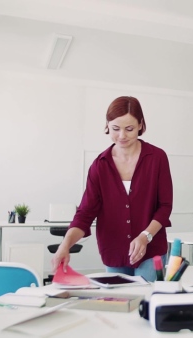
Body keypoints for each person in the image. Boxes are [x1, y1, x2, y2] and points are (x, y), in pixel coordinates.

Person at [51, 96, 173, 281]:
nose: (122, 136)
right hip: (114, 252)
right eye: (116, 129)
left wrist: (145, 236)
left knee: (145, 304)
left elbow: (164, 206)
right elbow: (85, 213)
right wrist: (65, 245)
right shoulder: (100, 166)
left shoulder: (157, 158)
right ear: (108, 125)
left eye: (129, 129)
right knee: (119, 303)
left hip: (150, 249)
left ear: (140, 125)